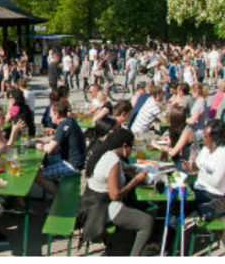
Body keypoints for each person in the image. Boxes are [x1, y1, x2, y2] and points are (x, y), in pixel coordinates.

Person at [79, 127, 153, 255]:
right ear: (125, 146)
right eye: (132, 147)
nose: (132, 151)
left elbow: (106, 176)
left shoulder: (104, 153)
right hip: (102, 208)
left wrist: (124, 171)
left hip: (91, 202)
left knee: (139, 207)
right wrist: (135, 180)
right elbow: (115, 195)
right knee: (147, 222)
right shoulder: (113, 161)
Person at [35, 100, 86, 196]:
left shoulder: (64, 125)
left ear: (56, 114)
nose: (50, 116)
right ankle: (61, 190)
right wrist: (40, 140)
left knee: (38, 175)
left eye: (51, 114)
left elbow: (49, 149)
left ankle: (59, 199)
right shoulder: (68, 121)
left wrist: (40, 146)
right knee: (47, 162)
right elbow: (55, 138)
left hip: (72, 165)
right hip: (72, 160)